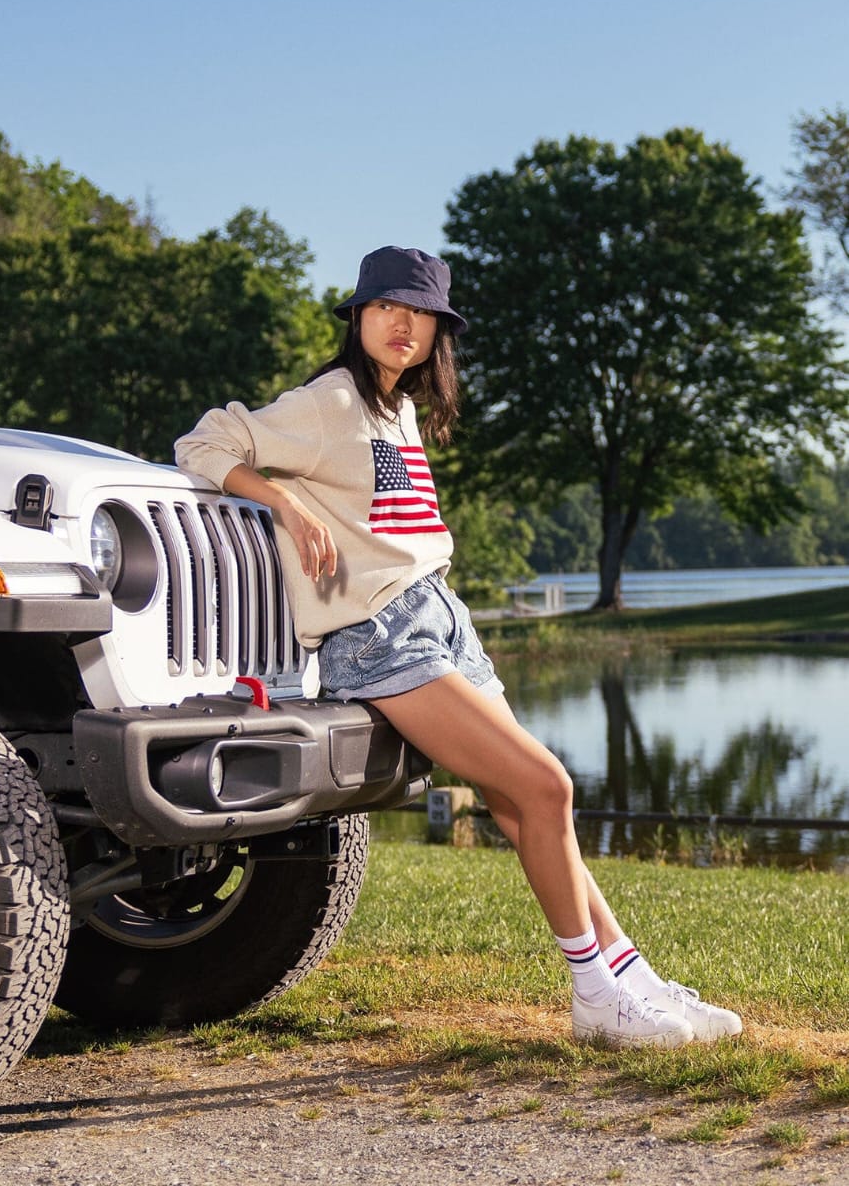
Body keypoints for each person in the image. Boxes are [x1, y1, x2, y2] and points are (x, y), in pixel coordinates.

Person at [175, 245, 742, 1049]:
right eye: (384, 308)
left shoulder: (394, 408)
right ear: (359, 317)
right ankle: (593, 995)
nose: (400, 324)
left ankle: (628, 976)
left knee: (523, 808)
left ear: (437, 329)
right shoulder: (329, 402)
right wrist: (283, 504)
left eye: (418, 313)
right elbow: (203, 444)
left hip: (441, 619)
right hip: (377, 638)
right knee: (545, 788)